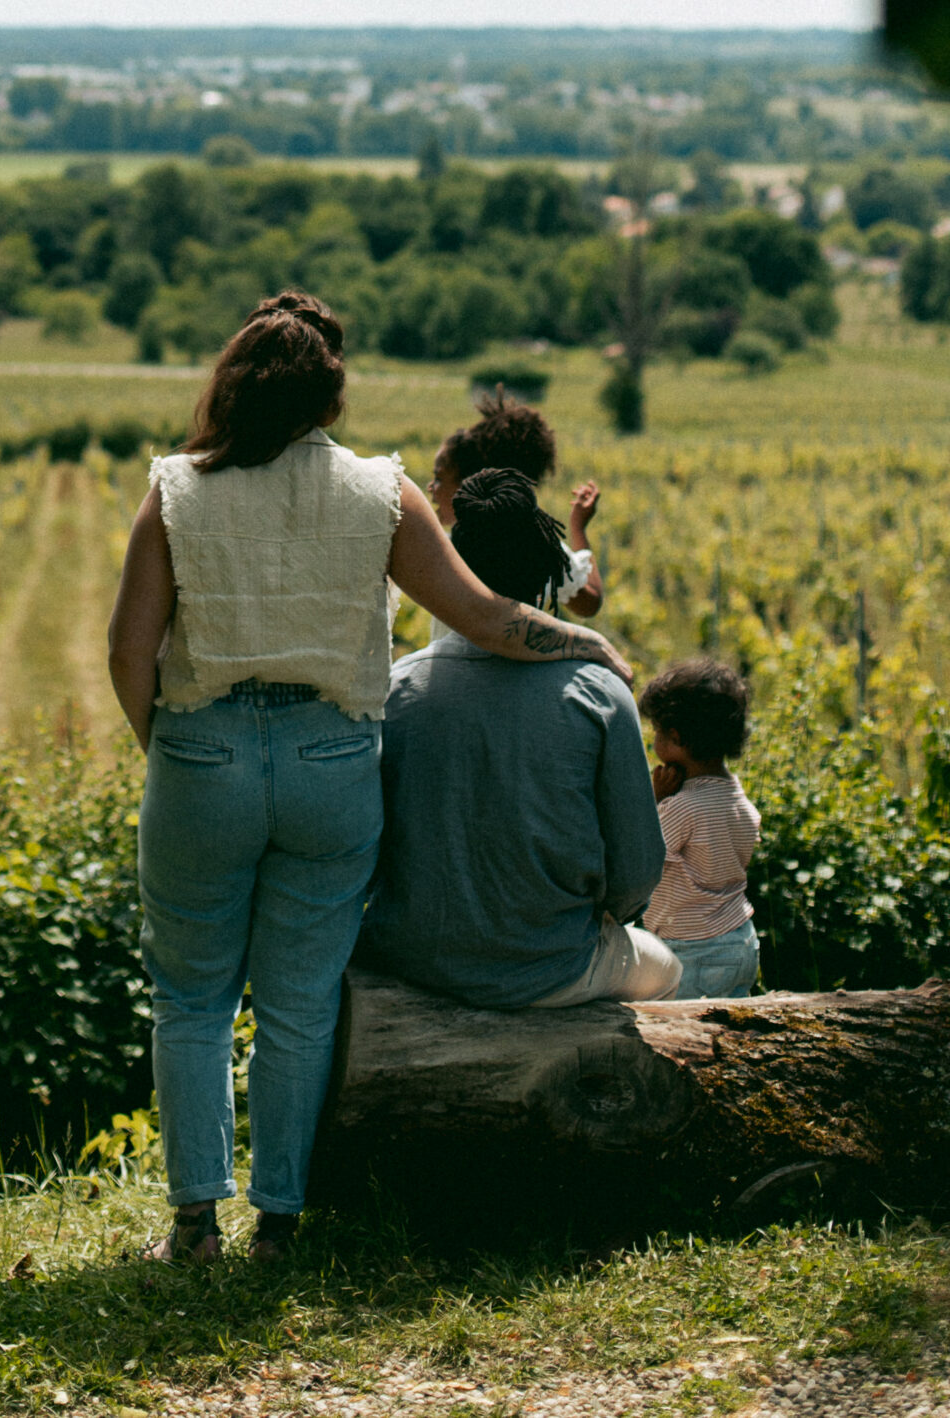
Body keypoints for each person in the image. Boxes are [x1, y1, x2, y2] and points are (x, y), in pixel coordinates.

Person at [106, 292, 634, 1267]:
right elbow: (483, 617)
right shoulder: (381, 495)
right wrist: (586, 639)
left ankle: (191, 1227)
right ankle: (279, 1221)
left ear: (230, 386)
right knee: (300, 1004)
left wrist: (175, 750)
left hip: (201, 750)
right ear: (331, 401)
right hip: (332, 760)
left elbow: (128, 649)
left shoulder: (176, 490)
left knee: (191, 1000)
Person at [357, 463, 680, 1008]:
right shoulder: (598, 694)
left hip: (412, 957)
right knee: (668, 971)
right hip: (552, 966)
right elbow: (636, 873)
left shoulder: (397, 688)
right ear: (545, 571)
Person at [638, 658, 762, 998]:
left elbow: (640, 851)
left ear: (675, 739)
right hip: (741, 939)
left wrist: (655, 798)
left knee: (680, 1040)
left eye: (657, 736)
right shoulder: (739, 801)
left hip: (693, 952)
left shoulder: (679, 808)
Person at [429, 390, 602, 616]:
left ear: (470, 484)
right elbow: (590, 601)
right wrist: (578, 528)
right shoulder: (537, 543)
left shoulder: (442, 547)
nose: (431, 488)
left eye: (439, 478)